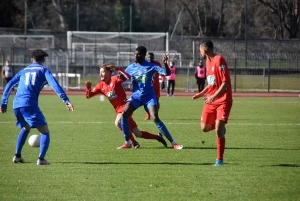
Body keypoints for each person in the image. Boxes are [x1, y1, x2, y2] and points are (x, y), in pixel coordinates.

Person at [0, 49, 74, 165]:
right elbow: (55, 85)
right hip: (29, 104)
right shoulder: (43, 70)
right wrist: (66, 100)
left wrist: (3, 103)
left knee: (26, 127)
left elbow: (9, 85)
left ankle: (17, 156)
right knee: (45, 132)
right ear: (43, 60)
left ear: (32, 59)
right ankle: (41, 159)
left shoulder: (23, 70)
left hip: (17, 105)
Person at [84, 63, 167, 149]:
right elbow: (88, 95)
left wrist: (118, 68)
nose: (100, 74)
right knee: (138, 133)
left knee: (118, 122)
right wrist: (88, 88)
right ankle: (158, 137)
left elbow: (127, 76)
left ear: (109, 73)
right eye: (100, 72)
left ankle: (131, 142)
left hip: (126, 107)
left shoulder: (115, 79)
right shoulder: (100, 86)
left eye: (103, 72)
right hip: (118, 110)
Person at [120, 46, 183, 149]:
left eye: (138, 54)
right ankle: (127, 142)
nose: (136, 56)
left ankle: (173, 142)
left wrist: (165, 64)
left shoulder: (151, 66)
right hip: (136, 97)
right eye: (135, 54)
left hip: (149, 97)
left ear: (144, 55)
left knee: (155, 117)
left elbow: (167, 73)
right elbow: (122, 78)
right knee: (124, 114)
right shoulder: (131, 67)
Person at [192, 40, 232, 166]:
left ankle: (219, 160)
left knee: (218, 130)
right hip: (211, 99)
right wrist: (201, 94)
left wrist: (214, 96)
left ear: (204, 50)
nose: (200, 53)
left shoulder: (219, 60)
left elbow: (225, 83)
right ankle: (220, 127)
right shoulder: (207, 63)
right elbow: (211, 84)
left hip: (223, 99)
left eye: (200, 50)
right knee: (204, 128)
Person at [144, 52, 161, 120]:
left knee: (156, 102)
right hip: (147, 87)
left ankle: (155, 114)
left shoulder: (157, 64)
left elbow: (161, 73)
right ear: (147, 58)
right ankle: (148, 114)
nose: (150, 58)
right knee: (146, 102)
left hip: (156, 86)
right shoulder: (144, 64)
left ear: (153, 57)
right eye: (149, 57)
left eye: (151, 57)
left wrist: (162, 81)